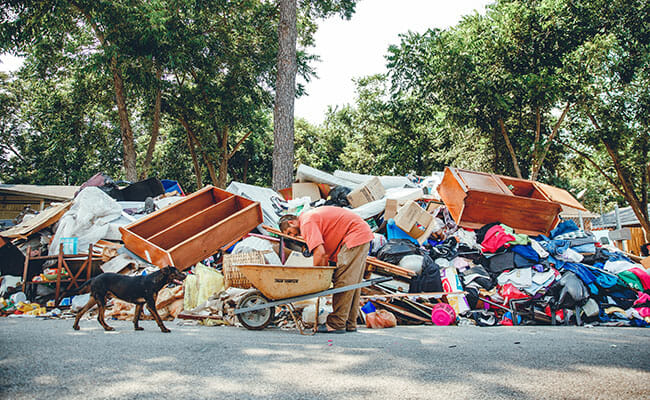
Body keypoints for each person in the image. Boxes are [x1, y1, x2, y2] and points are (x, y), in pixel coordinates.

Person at [279, 206, 374, 333]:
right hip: (360, 234)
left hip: (354, 235)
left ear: (291, 222)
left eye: (289, 232)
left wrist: (317, 277)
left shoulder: (306, 222)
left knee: (344, 280)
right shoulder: (309, 217)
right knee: (353, 282)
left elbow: (320, 253)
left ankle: (336, 324)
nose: (293, 235)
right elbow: (324, 254)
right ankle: (349, 322)